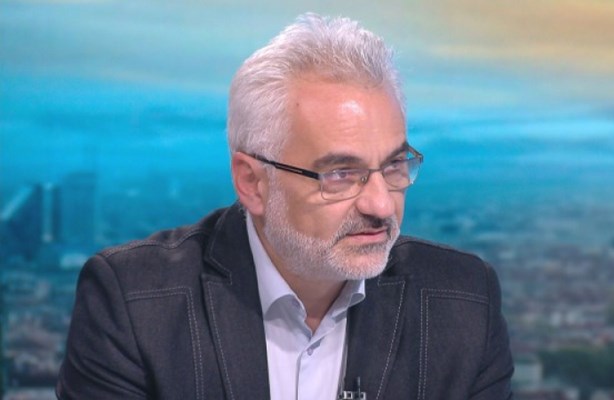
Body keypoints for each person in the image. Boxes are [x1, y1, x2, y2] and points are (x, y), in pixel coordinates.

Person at [56, 13, 513, 400]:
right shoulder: (135, 305)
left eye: (394, 165)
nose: (380, 204)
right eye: (340, 173)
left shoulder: (464, 302)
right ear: (252, 183)